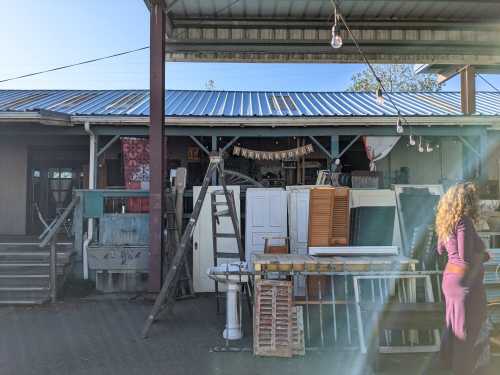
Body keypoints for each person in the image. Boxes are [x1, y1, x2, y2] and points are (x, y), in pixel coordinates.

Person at [435, 182, 491, 375]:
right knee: (467, 334)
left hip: (450, 281)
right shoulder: (463, 221)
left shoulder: (446, 221)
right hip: (465, 285)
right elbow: (465, 258)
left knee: (456, 330)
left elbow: (440, 249)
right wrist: (483, 255)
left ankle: (450, 366)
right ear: (467, 201)